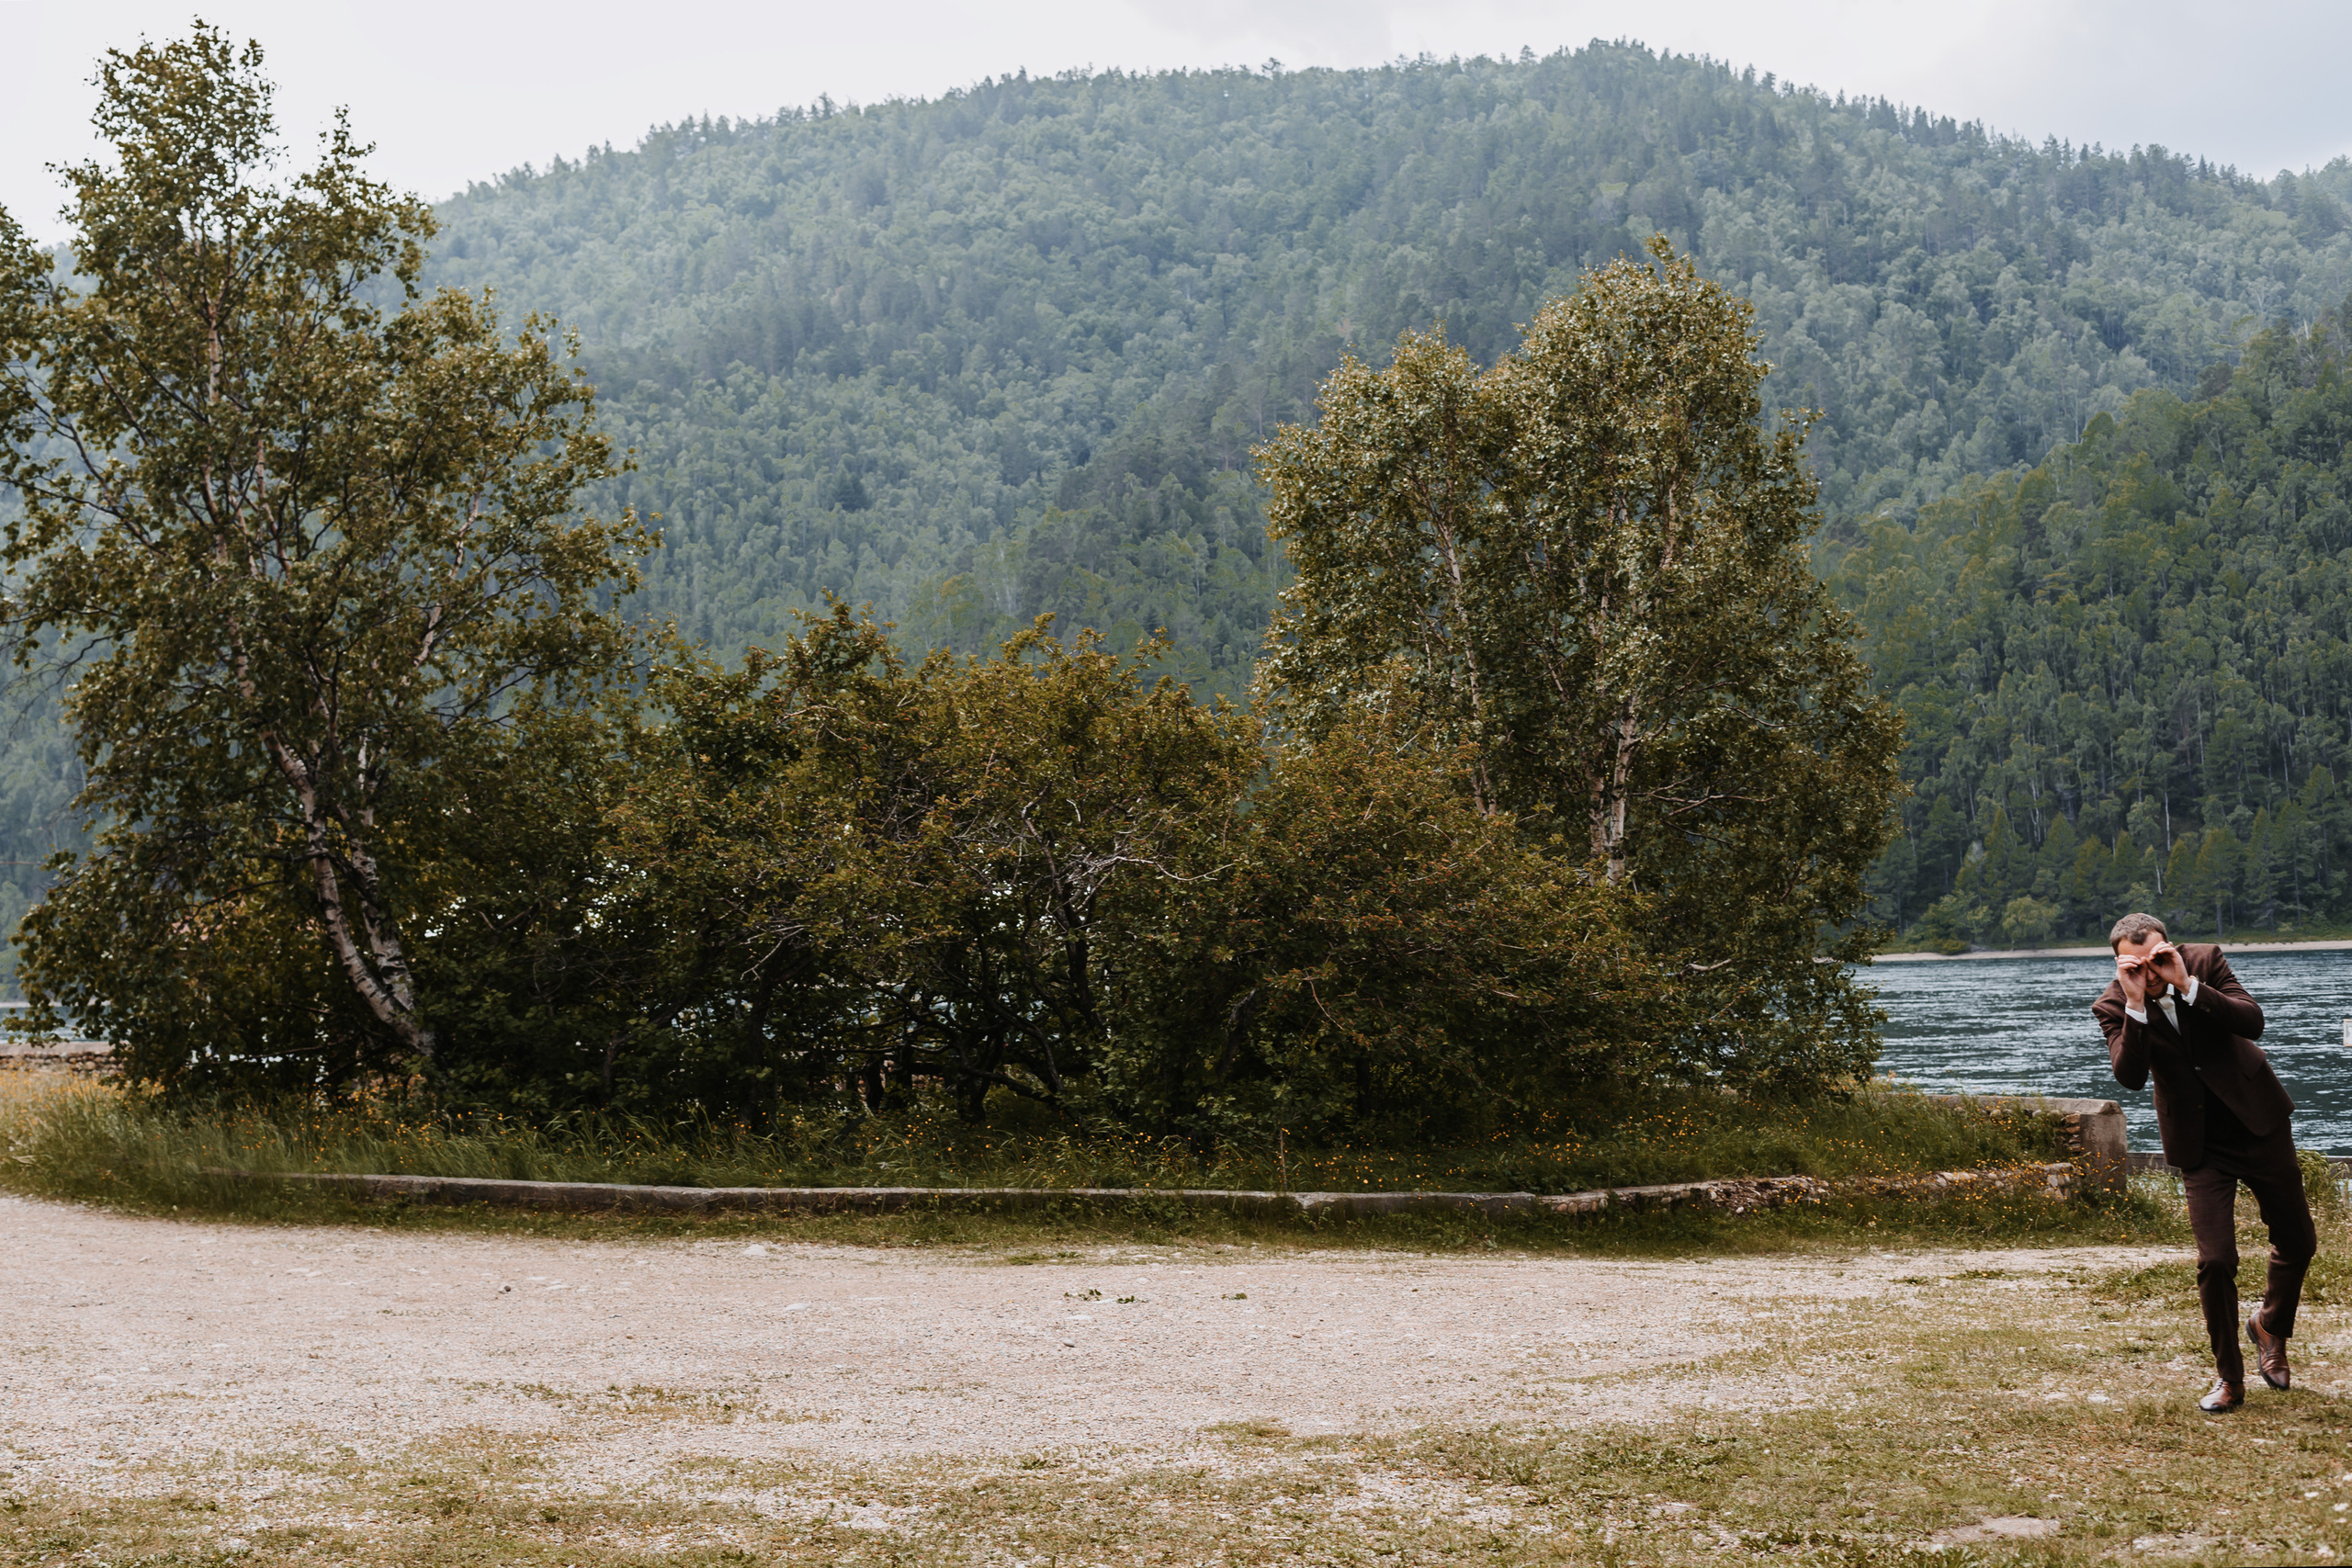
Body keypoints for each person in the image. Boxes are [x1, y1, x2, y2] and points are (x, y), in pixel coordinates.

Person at [2092, 912, 2315, 1414]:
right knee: (2215, 1261)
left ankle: (2269, 1325)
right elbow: (2128, 1076)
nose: (2149, 976)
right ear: (2120, 963)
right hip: (2199, 1144)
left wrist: (2186, 984)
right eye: (2136, 967)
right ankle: (2229, 1378)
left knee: (2299, 1240)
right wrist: (2135, 1005)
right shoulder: (2112, 1003)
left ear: (2168, 946)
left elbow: (2251, 1020)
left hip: (2259, 1121)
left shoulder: (2205, 962)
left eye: (2156, 961)